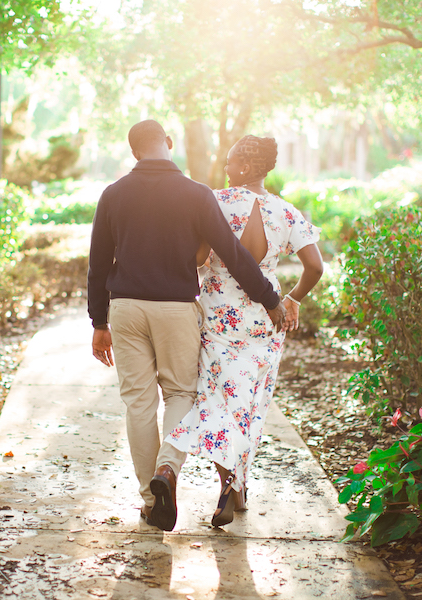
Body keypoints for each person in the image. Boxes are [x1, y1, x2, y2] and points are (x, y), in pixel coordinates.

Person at [87, 120, 287, 532]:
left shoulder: (113, 194)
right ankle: (168, 469)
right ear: (170, 144)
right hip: (176, 308)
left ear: (134, 152)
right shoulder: (196, 194)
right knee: (180, 392)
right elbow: (231, 253)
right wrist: (269, 297)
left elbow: (98, 262)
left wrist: (98, 321)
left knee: (138, 403)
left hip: (125, 308)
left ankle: (149, 500)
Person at [165, 134, 323, 527]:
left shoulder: (215, 203)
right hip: (265, 323)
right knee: (249, 408)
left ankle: (229, 486)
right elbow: (315, 267)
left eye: (232, 161)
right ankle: (238, 487)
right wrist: (292, 299)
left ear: (249, 167)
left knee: (219, 403)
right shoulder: (286, 212)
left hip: (218, 321)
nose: (226, 167)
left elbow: (199, 258)